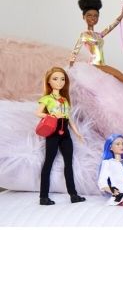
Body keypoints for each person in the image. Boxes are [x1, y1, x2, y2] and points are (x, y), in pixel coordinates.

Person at [35, 67, 86, 205]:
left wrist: (77, 133)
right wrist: (51, 115)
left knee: (68, 164)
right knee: (48, 163)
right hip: (53, 132)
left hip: (66, 132)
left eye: (62, 79)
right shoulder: (46, 98)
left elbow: (69, 117)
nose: (59, 82)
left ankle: (73, 195)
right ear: (49, 81)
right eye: (55, 79)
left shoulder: (64, 99)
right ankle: (43, 197)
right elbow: (38, 113)